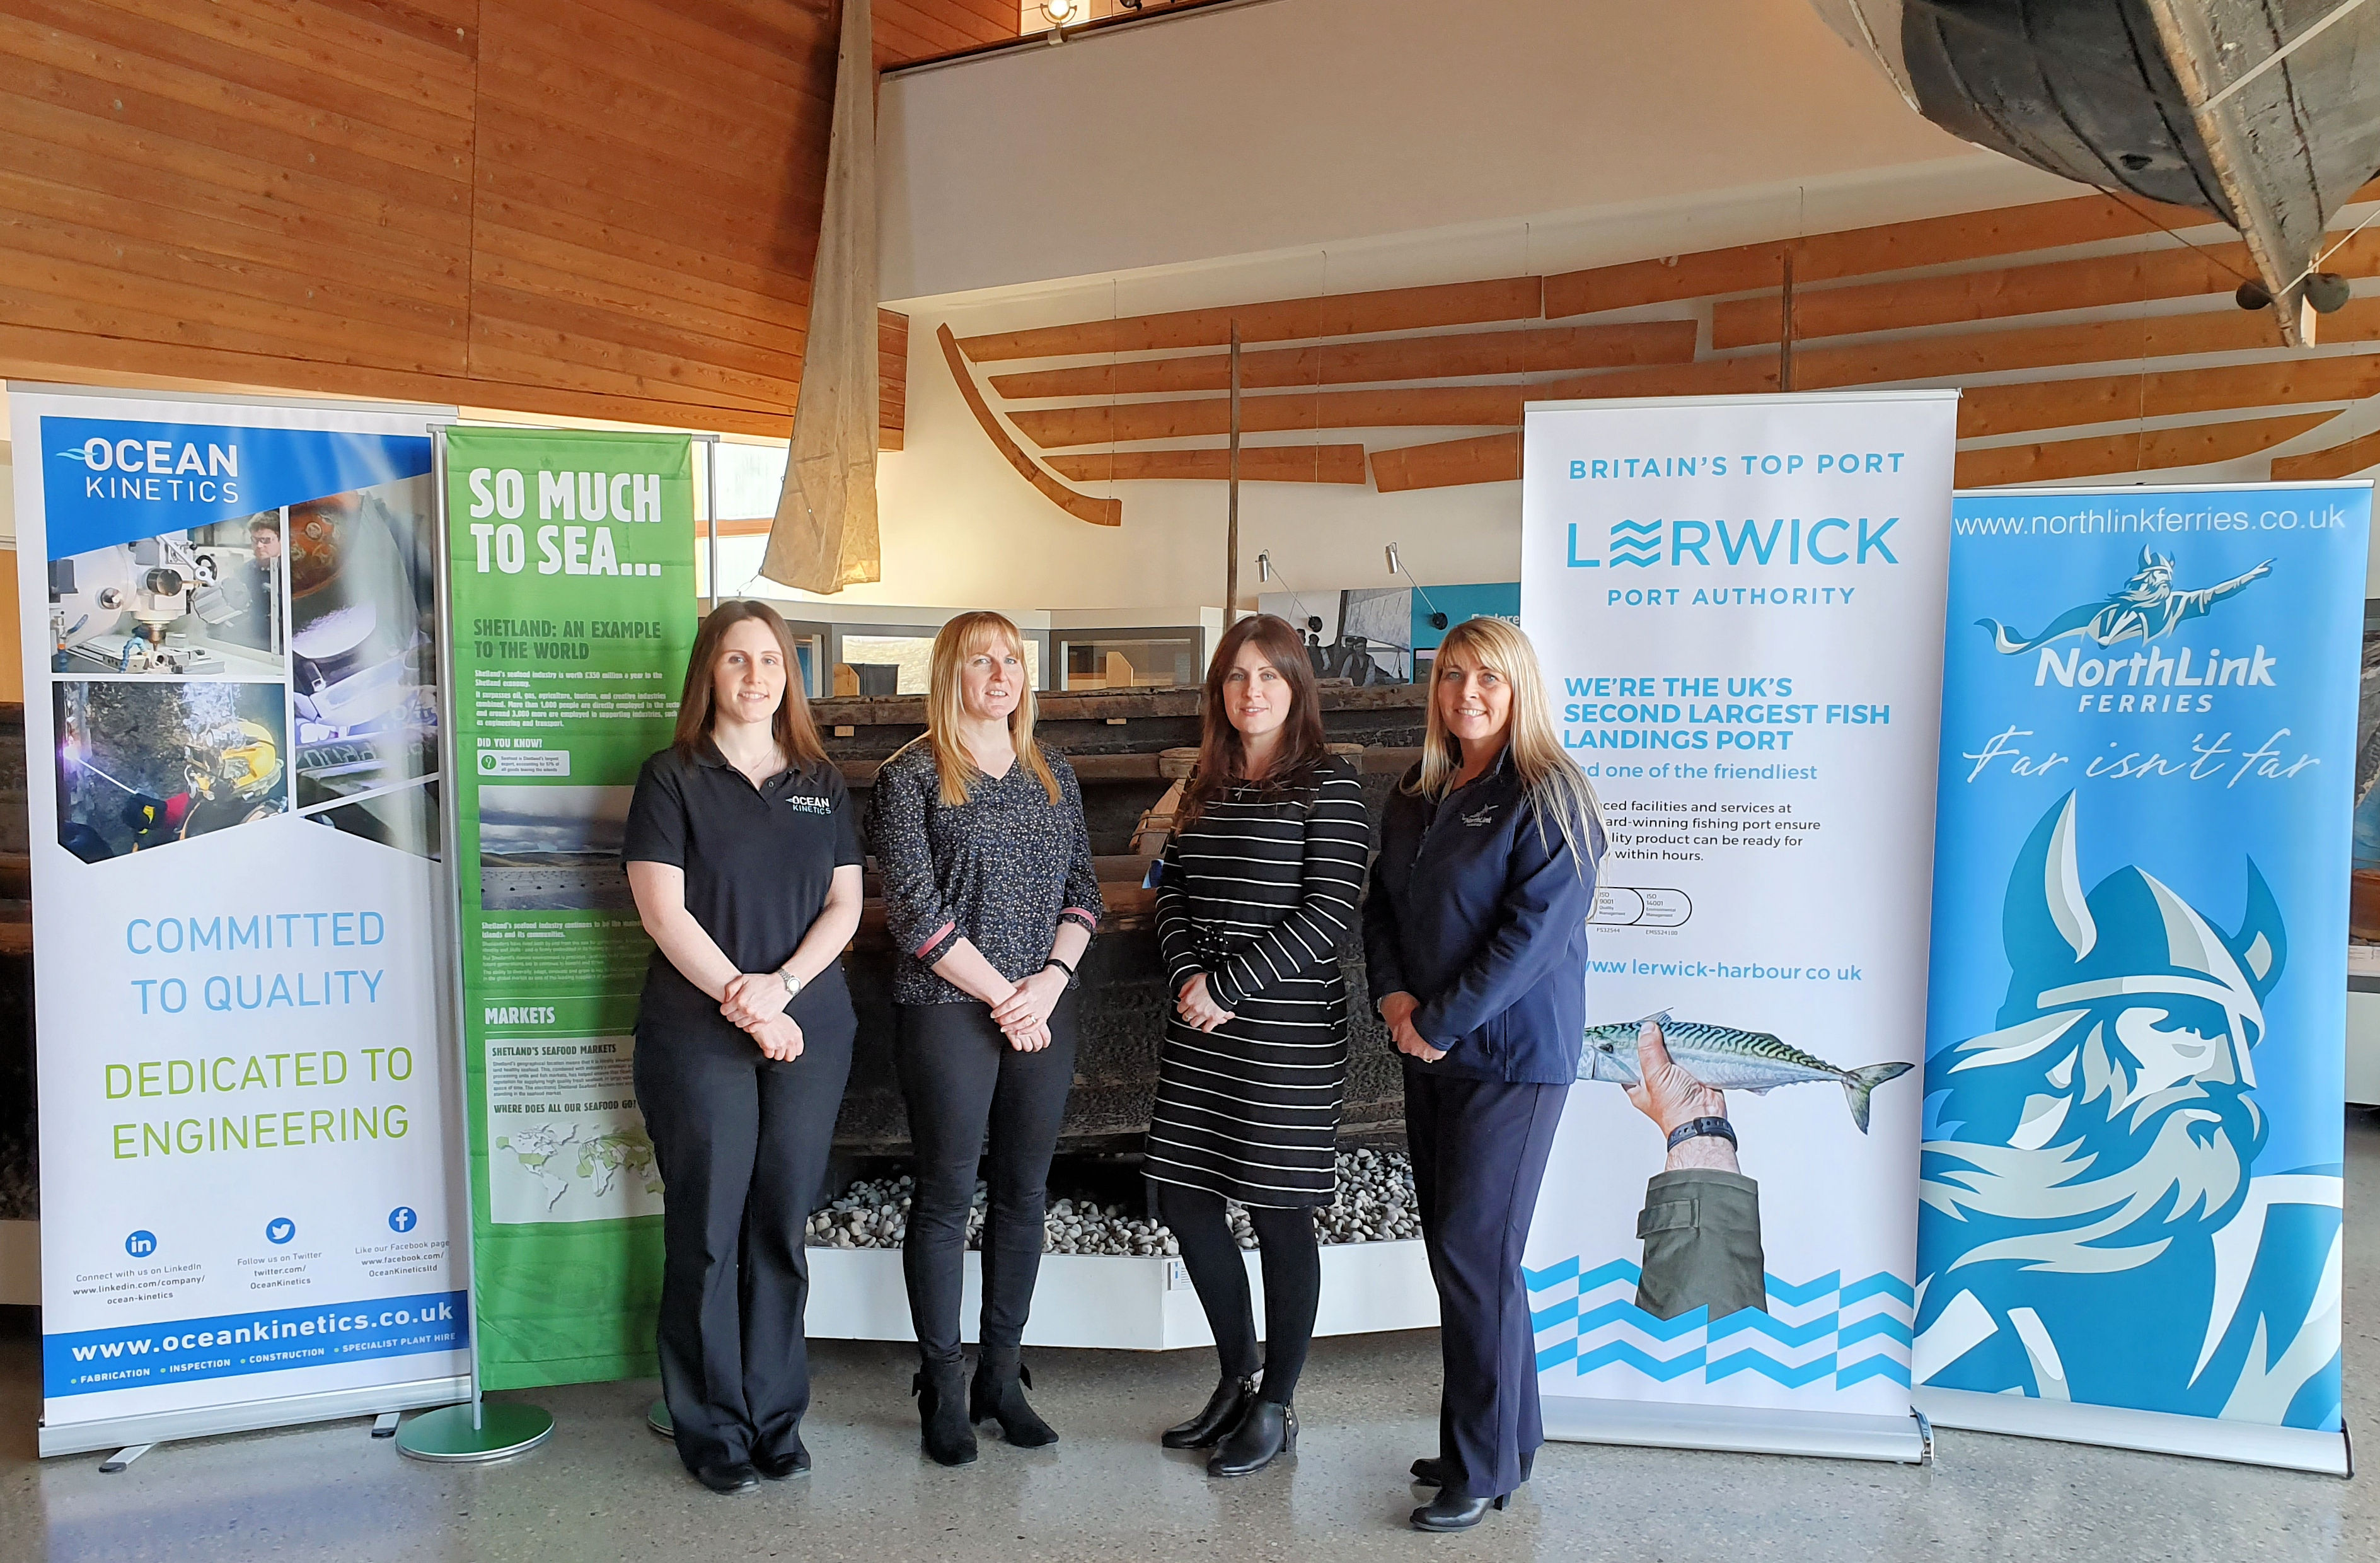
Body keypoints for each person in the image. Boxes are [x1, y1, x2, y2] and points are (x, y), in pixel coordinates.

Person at [1361, 616, 1606, 1533]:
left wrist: (1438, 1021)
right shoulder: (1418, 793)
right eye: (1454, 676)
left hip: (1510, 1059)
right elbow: (1381, 909)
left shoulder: (1551, 794)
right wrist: (1393, 1001)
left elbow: (1531, 941)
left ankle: (1478, 1464)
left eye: (1489, 679)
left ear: (1520, 689)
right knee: (1471, 1259)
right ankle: (1508, 1438)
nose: (1468, 693)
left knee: (1474, 1259)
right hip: (1428, 1048)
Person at [622, 601, 864, 1496]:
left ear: (787, 677)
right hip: (699, 1036)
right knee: (709, 1230)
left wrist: (784, 991)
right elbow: (663, 911)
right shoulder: (671, 778)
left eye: (771, 660)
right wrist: (747, 1002)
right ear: (709, 675)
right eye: (737, 660)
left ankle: (775, 1416)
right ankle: (711, 1424)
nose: (756, 676)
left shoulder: (822, 782)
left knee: (779, 1224)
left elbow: (844, 906)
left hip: (810, 1028)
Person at [868, 611, 1102, 1467]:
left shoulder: (1051, 771)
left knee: (1023, 1194)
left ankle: (1000, 1378)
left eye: (1011, 659)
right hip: (947, 1009)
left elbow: (1084, 892)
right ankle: (942, 1380)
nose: (1000, 673)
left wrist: (1050, 984)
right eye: (981, 660)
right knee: (943, 1195)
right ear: (951, 674)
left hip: (1042, 1006)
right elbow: (916, 915)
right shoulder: (913, 777)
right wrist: (1010, 996)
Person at [1146, 614, 1371, 1478]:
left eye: (1269, 676)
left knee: (1279, 1214)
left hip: (1285, 1035)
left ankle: (1278, 1406)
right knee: (1189, 1199)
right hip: (1200, 1027)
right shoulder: (1202, 781)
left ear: (1296, 687)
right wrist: (1185, 978)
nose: (1251, 692)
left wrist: (1229, 985)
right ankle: (1236, 1376)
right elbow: (1169, 893)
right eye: (1236, 677)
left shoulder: (1333, 786)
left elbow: (1328, 915)